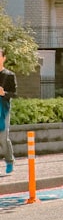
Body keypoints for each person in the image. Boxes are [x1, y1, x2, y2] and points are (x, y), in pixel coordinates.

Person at [0, 47, 16, 175]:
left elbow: (14, 94)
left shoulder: (9, 75)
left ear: (4, 58)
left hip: (3, 109)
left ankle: (9, 160)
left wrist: (4, 93)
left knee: (4, 137)